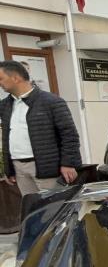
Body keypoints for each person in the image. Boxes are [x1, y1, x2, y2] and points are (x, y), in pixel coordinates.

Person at [0, 61, 81, 195]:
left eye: (1, 78)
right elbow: (6, 137)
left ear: (15, 78)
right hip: (19, 168)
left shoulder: (51, 101)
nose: (0, 83)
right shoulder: (5, 105)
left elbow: (69, 134)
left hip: (46, 168)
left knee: (53, 209)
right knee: (32, 209)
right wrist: (9, 170)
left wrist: (68, 163)